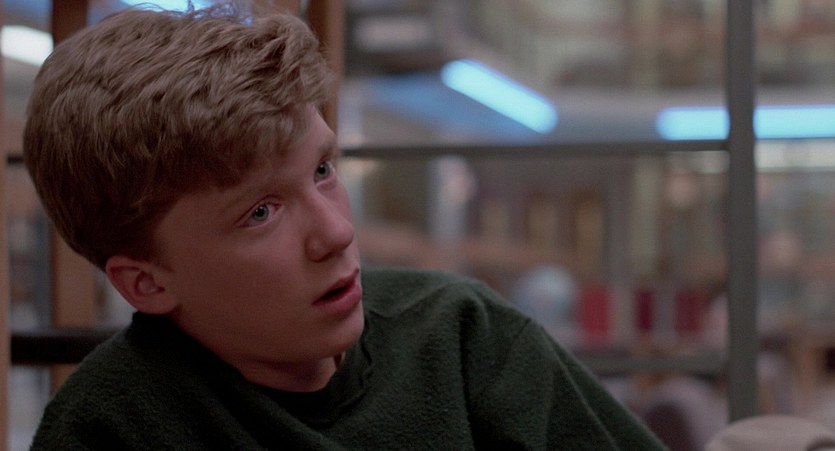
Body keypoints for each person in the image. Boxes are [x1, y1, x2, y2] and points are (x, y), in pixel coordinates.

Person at [23, 3, 666, 449]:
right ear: (146, 282)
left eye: (324, 169)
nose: (335, 233)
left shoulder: (464, 338)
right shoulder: (109, 428)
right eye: (261, 212)